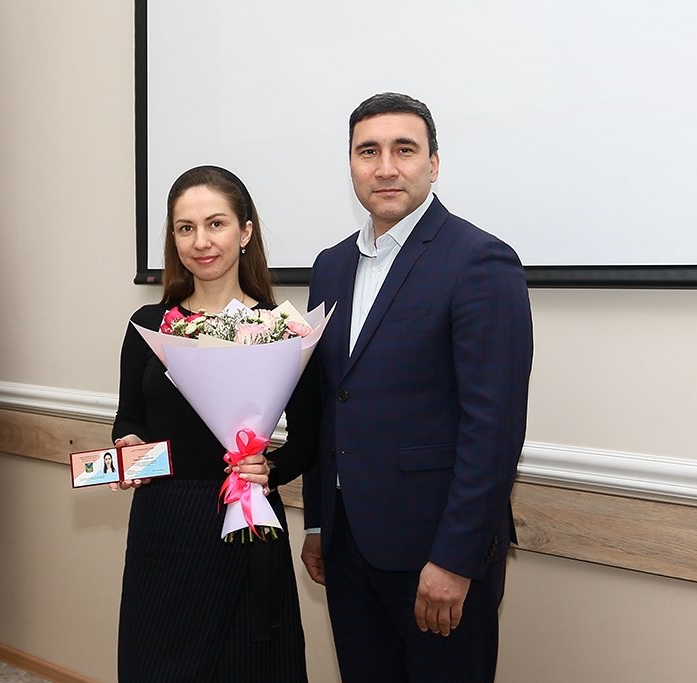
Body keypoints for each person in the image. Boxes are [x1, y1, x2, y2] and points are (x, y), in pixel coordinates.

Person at [299, 92, 534, 682]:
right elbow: (329, 402)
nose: (385, 167)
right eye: (368, 151)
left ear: (433, 163)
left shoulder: (480, 260)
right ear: (350, 164)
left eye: (404, 150)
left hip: (436, 555)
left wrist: (455, 559)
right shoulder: (330, 267)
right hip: (348, 547)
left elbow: (494, 429)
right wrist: (319, 523)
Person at [112, 165, 319, 682]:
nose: (200, 241)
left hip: (248, 520)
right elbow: (129, 417)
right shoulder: (148, 325)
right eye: (186, 228)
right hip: (165, 523)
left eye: (216, 224)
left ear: (245, 232)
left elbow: (310, 438)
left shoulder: (283, 330)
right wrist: (128, 443)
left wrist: (269, 470)